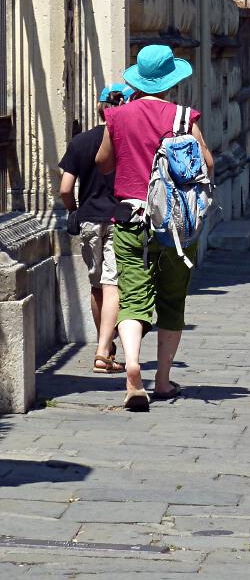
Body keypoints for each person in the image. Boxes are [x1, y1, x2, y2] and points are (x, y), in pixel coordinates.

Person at [96, 44, 214, 413]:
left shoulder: (117, 116)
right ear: (170, 81)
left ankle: (133, 366)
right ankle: (162, 380)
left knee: (132, 298)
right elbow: (206, 163)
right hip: (175, 226)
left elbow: (103, 164)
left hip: (130, 221)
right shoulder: (182, 117)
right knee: (172, 301)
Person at [59, 85, 131, 375]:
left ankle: (106, 349)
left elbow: (65, 188)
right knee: (115, 283)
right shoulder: (125, 141)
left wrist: (74, 209)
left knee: (97, 285)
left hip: (88, 219)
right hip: (118, 218)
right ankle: (106, 350)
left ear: (99, 107)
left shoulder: (80, 142)